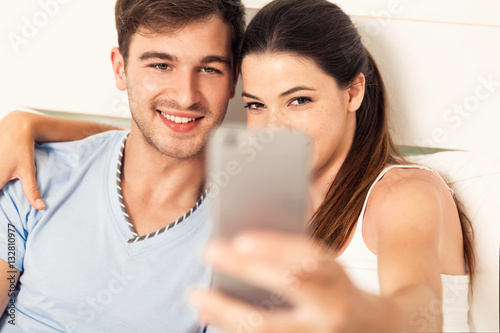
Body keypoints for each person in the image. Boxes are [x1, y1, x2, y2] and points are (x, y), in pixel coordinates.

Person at [0, 0, 474, 332]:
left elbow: (418, 313)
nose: (274, 129)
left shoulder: (402, 194)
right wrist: (34, 124)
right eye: (256, 105)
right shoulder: (262, 189)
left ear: (353, 91)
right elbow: (159, 139)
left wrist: (357, 313)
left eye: (300, 100)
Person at [0, 0, 244, 331]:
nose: (186, 96)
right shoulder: (33, 174)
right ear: (120, 69)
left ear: (233, 82)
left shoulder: (243, 241)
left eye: (209, 69)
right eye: (161, 65)